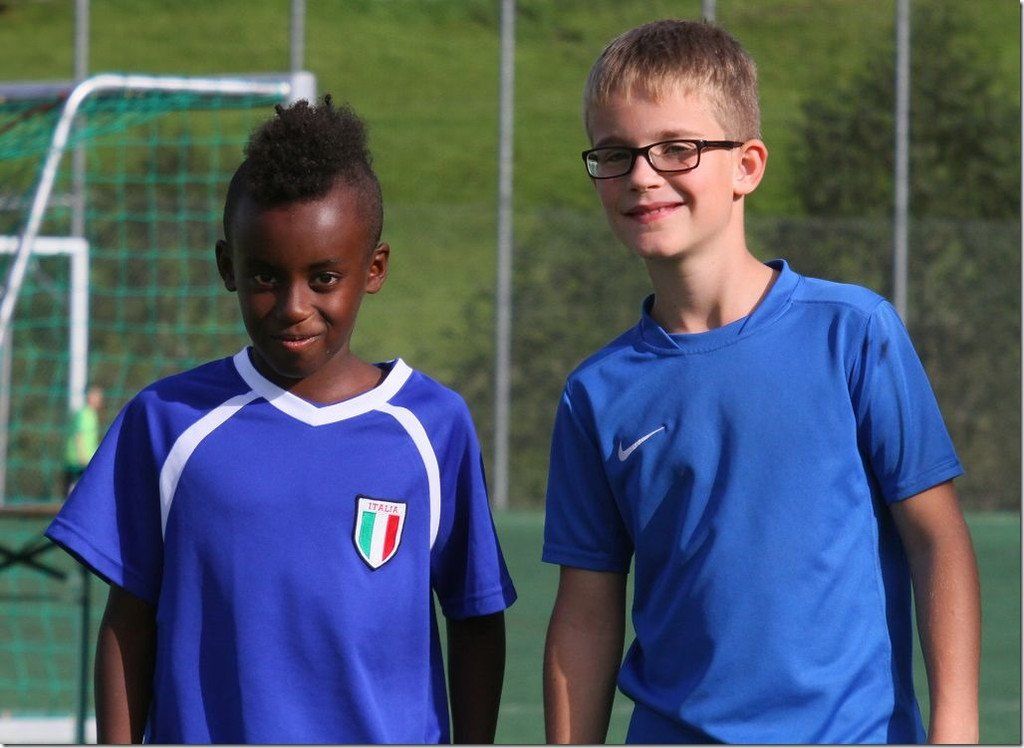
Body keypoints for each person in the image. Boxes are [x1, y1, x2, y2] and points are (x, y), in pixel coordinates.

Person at [542, 19, 980, 744]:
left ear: (746, 166)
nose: (643, 175)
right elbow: (586, 609)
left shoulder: (853, 332)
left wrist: (956, 730)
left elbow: (938, 540)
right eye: (616, 154)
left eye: (676, 149)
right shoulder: (596, 392)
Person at [46, 96, 516, 744]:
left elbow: (475, 617)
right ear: (227, 267)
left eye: (324, 278)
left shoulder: (433, 426)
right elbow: (129, 620)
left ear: (374, 269)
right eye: (266, 276)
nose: (294, 306)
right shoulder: (167, 422)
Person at [63, 385, 103, 496]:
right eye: (96, 396)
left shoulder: (91, 414)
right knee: (82, 492)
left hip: (85, 459)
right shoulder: (85, 414)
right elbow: (79, 436)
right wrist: (82, 456)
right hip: (80, 460)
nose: (99, 400)